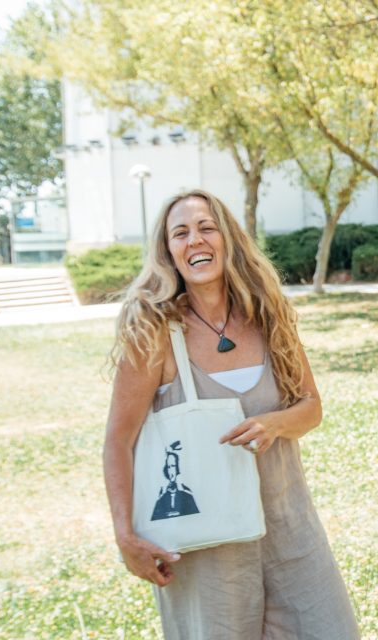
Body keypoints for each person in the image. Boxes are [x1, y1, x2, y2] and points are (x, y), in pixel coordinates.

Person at [103, 189, 360, 639]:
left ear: (228, 239)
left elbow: (311, 406)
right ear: (169, 253)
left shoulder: (267, 316)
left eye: (206, 227)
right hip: (205, 543)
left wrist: (274, 424)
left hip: (289, 529)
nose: (195, 240)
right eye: (180, 233)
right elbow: (118, 441)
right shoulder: (154, 332)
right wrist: (126, 536)